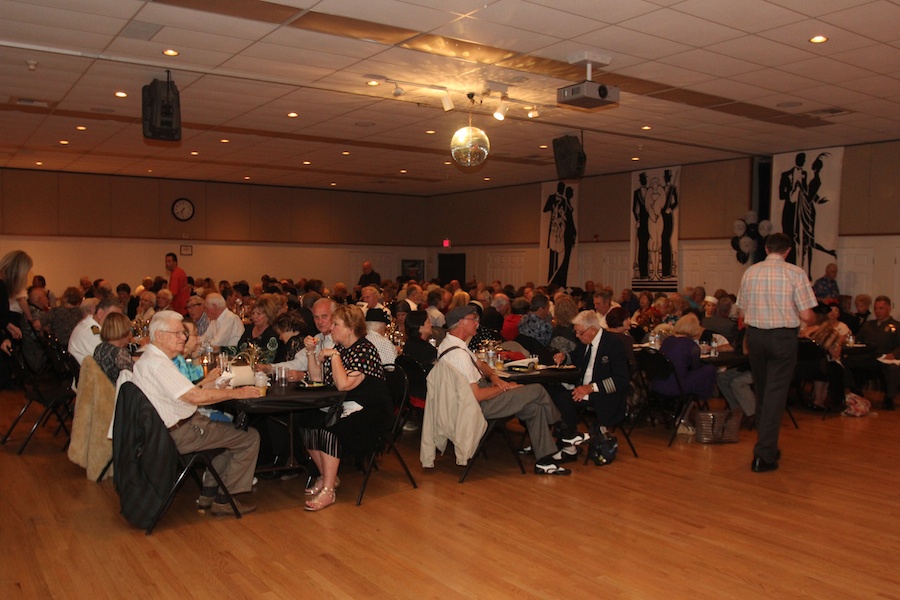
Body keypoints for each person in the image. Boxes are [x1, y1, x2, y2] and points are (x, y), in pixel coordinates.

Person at [132, 310, 262, 516]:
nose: (183, 337)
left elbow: (185, 394)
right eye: (177, 333)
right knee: (250, 437)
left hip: (168, 431)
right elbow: (194, 398)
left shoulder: (152, 359)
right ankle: (225, 499)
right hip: (179, 434)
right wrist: (237, 392)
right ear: (159, 336)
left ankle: (209, 494)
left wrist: (207, 383)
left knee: (230, 434)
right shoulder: (159, 365)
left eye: (183, 333)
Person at [437, 305, 568, 475]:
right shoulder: (459, 355)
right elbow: (477, 396)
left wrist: (494, 377)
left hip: (467, 399)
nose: (477, 323)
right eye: (473, 320)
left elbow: (480, 363)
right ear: (461, 323)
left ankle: (544, 460)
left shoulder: (450, 344)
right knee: (537, 390)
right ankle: (564, 431)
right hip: (476, 406)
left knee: (534, 407)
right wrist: (504, 388)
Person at [737, 232, 817, 472]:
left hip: (756, 338)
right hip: (782, 338)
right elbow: (806, 316)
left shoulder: (751, 272)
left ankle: (767, 445)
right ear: (788, 251)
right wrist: (811, 317)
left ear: (765, 248)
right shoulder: (795, 273)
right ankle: (764, 455)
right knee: (775, 395)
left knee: (762, 391)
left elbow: (741, 313)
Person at [301, 305, 393, 511]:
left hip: (371, 411)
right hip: (347, 407)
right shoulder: (342, 348)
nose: (330, 328)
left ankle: (328, 491)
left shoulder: (365, 349)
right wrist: (310, 352)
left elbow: (343, 385)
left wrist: (334, 357)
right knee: (306, 422)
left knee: (330, 430)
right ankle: (328, 477)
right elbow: (317, 379)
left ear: (350, 328)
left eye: (336, 324)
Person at [550, 310, 630, 465]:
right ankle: (566, 437)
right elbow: (575, 356)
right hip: (583, 388)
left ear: (592, 330)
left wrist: (591, 388)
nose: (577, 336)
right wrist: (564, 357)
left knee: (564, 399)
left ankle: (569, 446)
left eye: (580, 333)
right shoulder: (586, 343)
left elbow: (621, 380)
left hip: (604, 394)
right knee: (550, 392)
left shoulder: (613, 344)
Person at [843, 295, 900, 410]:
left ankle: (889, 399)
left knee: (892, 369)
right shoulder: (868, 325)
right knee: (846, 361)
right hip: (868, 357)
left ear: (889, 308)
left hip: (885, 359)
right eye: (876, 308)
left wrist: (894, 354)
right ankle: (855, 390)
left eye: (881, 308)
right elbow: (857, 339)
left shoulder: (896, 326)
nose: (878, 311)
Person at [654, 314, 717, 404]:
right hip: (677, 386)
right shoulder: (691, 345)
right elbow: (695, 367)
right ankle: (702, 401)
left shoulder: (667, 340)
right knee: (710, 370)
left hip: (658, 384)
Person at [69, 297, 123, 365]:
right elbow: (112, 359)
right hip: (88, 373)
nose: (116, 321)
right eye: (112, 316)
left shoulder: (88, 324)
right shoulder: (92, 334)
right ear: (100, 313)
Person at [235, 295, 279, 364]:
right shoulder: (249, 328)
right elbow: (239, 349)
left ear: (268, 315)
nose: (254, 316)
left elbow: (268, 359)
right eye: (253, 313)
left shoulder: (272, 334)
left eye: (258, 314)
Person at [92, 312, 134, 383]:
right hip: (114, 391)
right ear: (123, 331)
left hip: (101, 389)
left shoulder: (99, 347)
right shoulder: (119, 353)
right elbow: (134, 375)